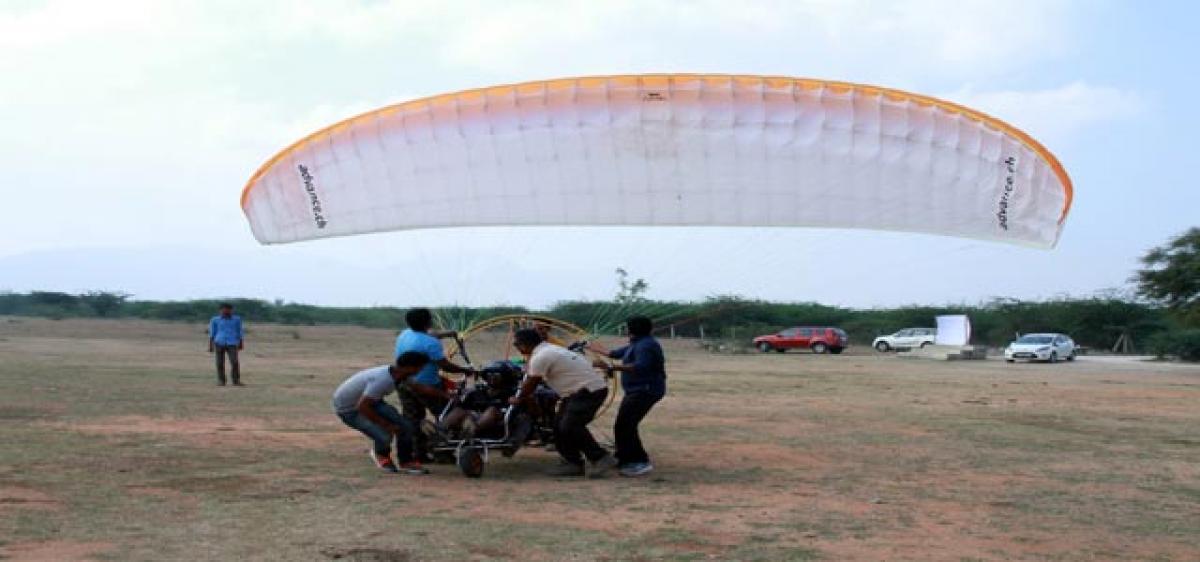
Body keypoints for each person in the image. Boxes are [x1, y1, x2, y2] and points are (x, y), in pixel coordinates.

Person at [510, 328, 617, 478]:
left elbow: (532, 382)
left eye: (517, 345)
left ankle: (600, 458)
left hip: (587, 391)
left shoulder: (541, 356)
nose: (517, 348)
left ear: (525, 344)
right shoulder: (548, 350)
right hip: (579, 392)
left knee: (570, 425)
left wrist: (518, 397)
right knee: (558, 426)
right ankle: (572, 463)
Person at [587, 316, 667, 477]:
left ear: (631, 330)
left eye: (627, 328)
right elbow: (615, 353)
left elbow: (640, 366)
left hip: (645, 390)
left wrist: (611, 367)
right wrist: (592, 347)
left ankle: (638, 462)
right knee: (624, 424)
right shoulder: (638, 343)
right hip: (638, 390)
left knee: (625, 425)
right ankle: (625, 457)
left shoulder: (645, 346)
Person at [393, 308, 475, 460]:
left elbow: (427, 335)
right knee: (449, 415)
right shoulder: (431, 343)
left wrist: (448, 334)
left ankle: (419, 454)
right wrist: (466, 370)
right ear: (428, 322)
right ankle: (443, 451)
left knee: (413, 419)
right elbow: (445, 365)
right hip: (428, 386)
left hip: (404, 383)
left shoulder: (405, 334)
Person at [332, 351, 431, 475]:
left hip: (371, 402)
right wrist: (386, 425)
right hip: (349, 410)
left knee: (406, 426)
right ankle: (381, 455)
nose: (421, 370)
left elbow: (418, 387)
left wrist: (447, 395)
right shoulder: (383, 380)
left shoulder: (399, 374)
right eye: (420, 367)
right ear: (410, 367)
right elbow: (362, 406)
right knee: (385, 435)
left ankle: (406, 461)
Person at [207, 303, 244, 386]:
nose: (226, 311)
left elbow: (240, 331)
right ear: (220, 310)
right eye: (224, 309)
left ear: (231, 310)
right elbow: (212, 333)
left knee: (234, 362)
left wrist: (241, 342)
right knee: (219, 363)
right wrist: (210, 345)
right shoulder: (215, 320)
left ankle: (236, 380)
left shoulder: (237, 319)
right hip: (219, 342)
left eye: (228, 309)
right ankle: (221, 380)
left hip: (232, 343)